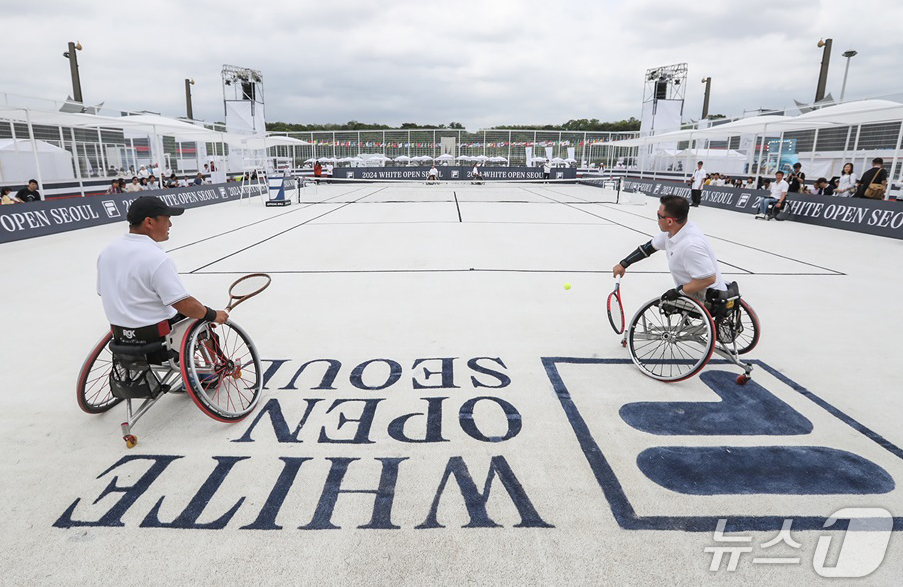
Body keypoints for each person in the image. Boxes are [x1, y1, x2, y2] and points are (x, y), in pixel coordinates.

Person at [96, 196, 229, 353]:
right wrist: (213, 315)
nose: (170, 224)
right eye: (167, 219)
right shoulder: (156, 258)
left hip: (120, 334)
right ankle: (216, 372)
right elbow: (183, 304)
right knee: (201, 317)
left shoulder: (107, 252)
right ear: (149, 222)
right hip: (156, 337)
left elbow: (102, 291)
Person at [612, 195, 726, 304]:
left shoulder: (690, 246)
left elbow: (708, 279)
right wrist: (624, 264)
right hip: (694, 291)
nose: (657, 219)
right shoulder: (673, 231)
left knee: (664, 302)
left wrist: (678, 292)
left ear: (670, 221)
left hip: (707, 296)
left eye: (659, 216)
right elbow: (648, 248)